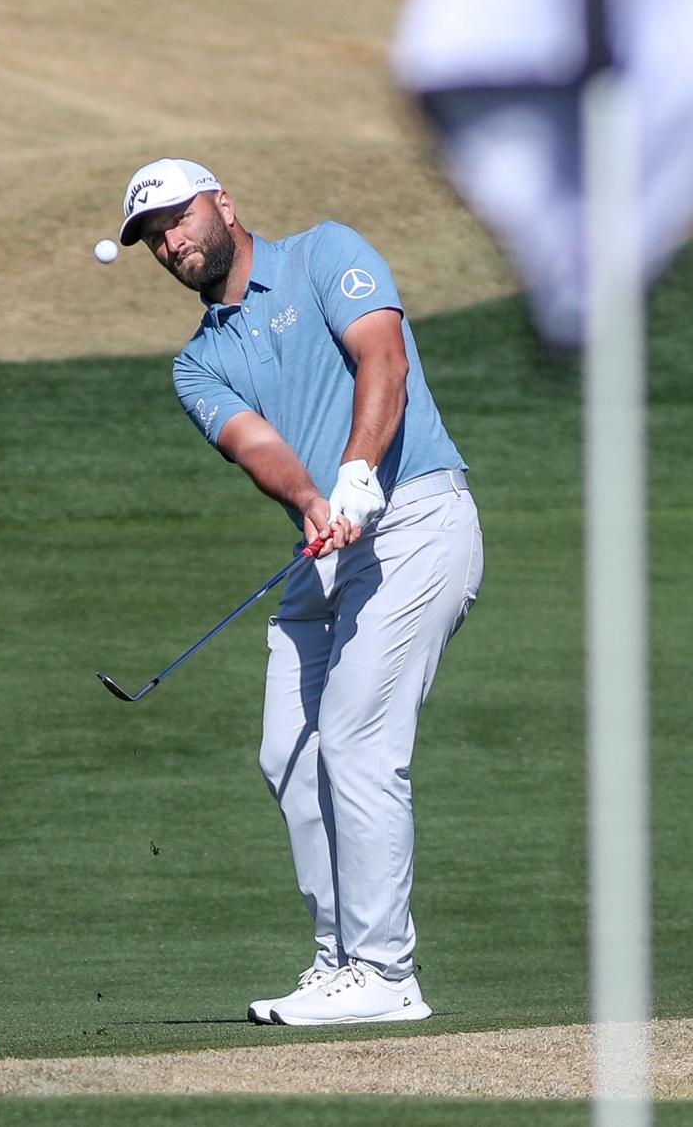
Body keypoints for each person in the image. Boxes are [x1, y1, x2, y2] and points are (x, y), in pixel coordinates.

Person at [118, 157, 483, 1025]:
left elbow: (381, 360)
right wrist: (315, 498)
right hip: (325, 548)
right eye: (153, 236)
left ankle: (389, 974)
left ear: (225, 204)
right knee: (290, 751)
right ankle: (342, 960)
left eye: (179, 217)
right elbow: (259, 449)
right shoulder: (196, 365)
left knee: (356, 738)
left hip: (418, 523)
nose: (171, 241)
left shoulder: (326, 253)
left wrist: (358, 471)